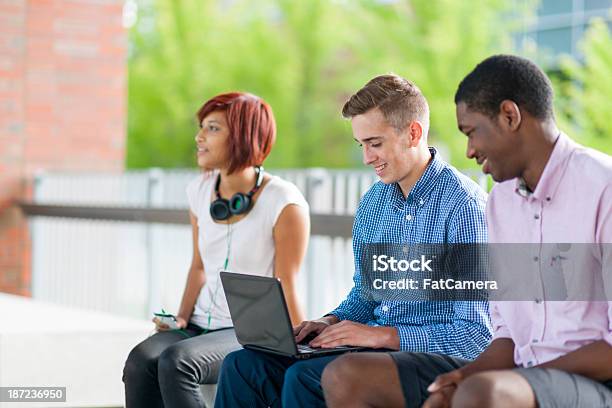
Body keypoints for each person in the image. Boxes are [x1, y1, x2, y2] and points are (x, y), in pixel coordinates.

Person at [322, 55, 612, 408]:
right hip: (522, 374)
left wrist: (511, 378)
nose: (470, 151)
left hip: (595, 381)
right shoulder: (502, 202)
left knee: (481, 393)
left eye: (472, 132)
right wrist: (458, 377)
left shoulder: (602, 188)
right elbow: (505, 334)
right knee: (347, 376)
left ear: (510, 116)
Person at [214, 74, 492, 408]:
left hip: (426, 359)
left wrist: (384, 335)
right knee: (243, 367)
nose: (366, 158)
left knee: (302, 378)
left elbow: (475, 335)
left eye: (375, 143)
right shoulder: (373, 203)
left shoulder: (463, 207)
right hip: (372, 349)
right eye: (361, 145)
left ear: (413, 133)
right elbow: (366, 296)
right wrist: (329, 322)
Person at [122, 92, 310, 408]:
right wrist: (180, 317)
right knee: (140, 359)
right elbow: (198, 265)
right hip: (198, 324)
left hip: (249, 332)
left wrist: (299, 354)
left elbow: (287, 282)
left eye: (212, 128)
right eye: (201, 127)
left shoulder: (283, 201)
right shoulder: (198, 191)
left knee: (179, 361)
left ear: (242, 136)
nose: (199, 137)